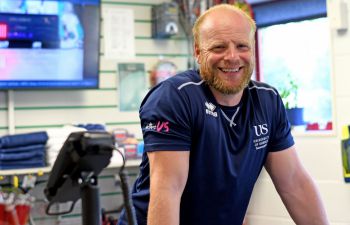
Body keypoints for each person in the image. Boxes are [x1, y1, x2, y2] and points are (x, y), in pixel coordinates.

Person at [117, 4, 329, 225]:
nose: (232, 57)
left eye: (242, 46)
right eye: (218, 47)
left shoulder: (267, 101)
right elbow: (169, 190)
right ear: (198, 53)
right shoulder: (175, 98)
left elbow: (294, 182)